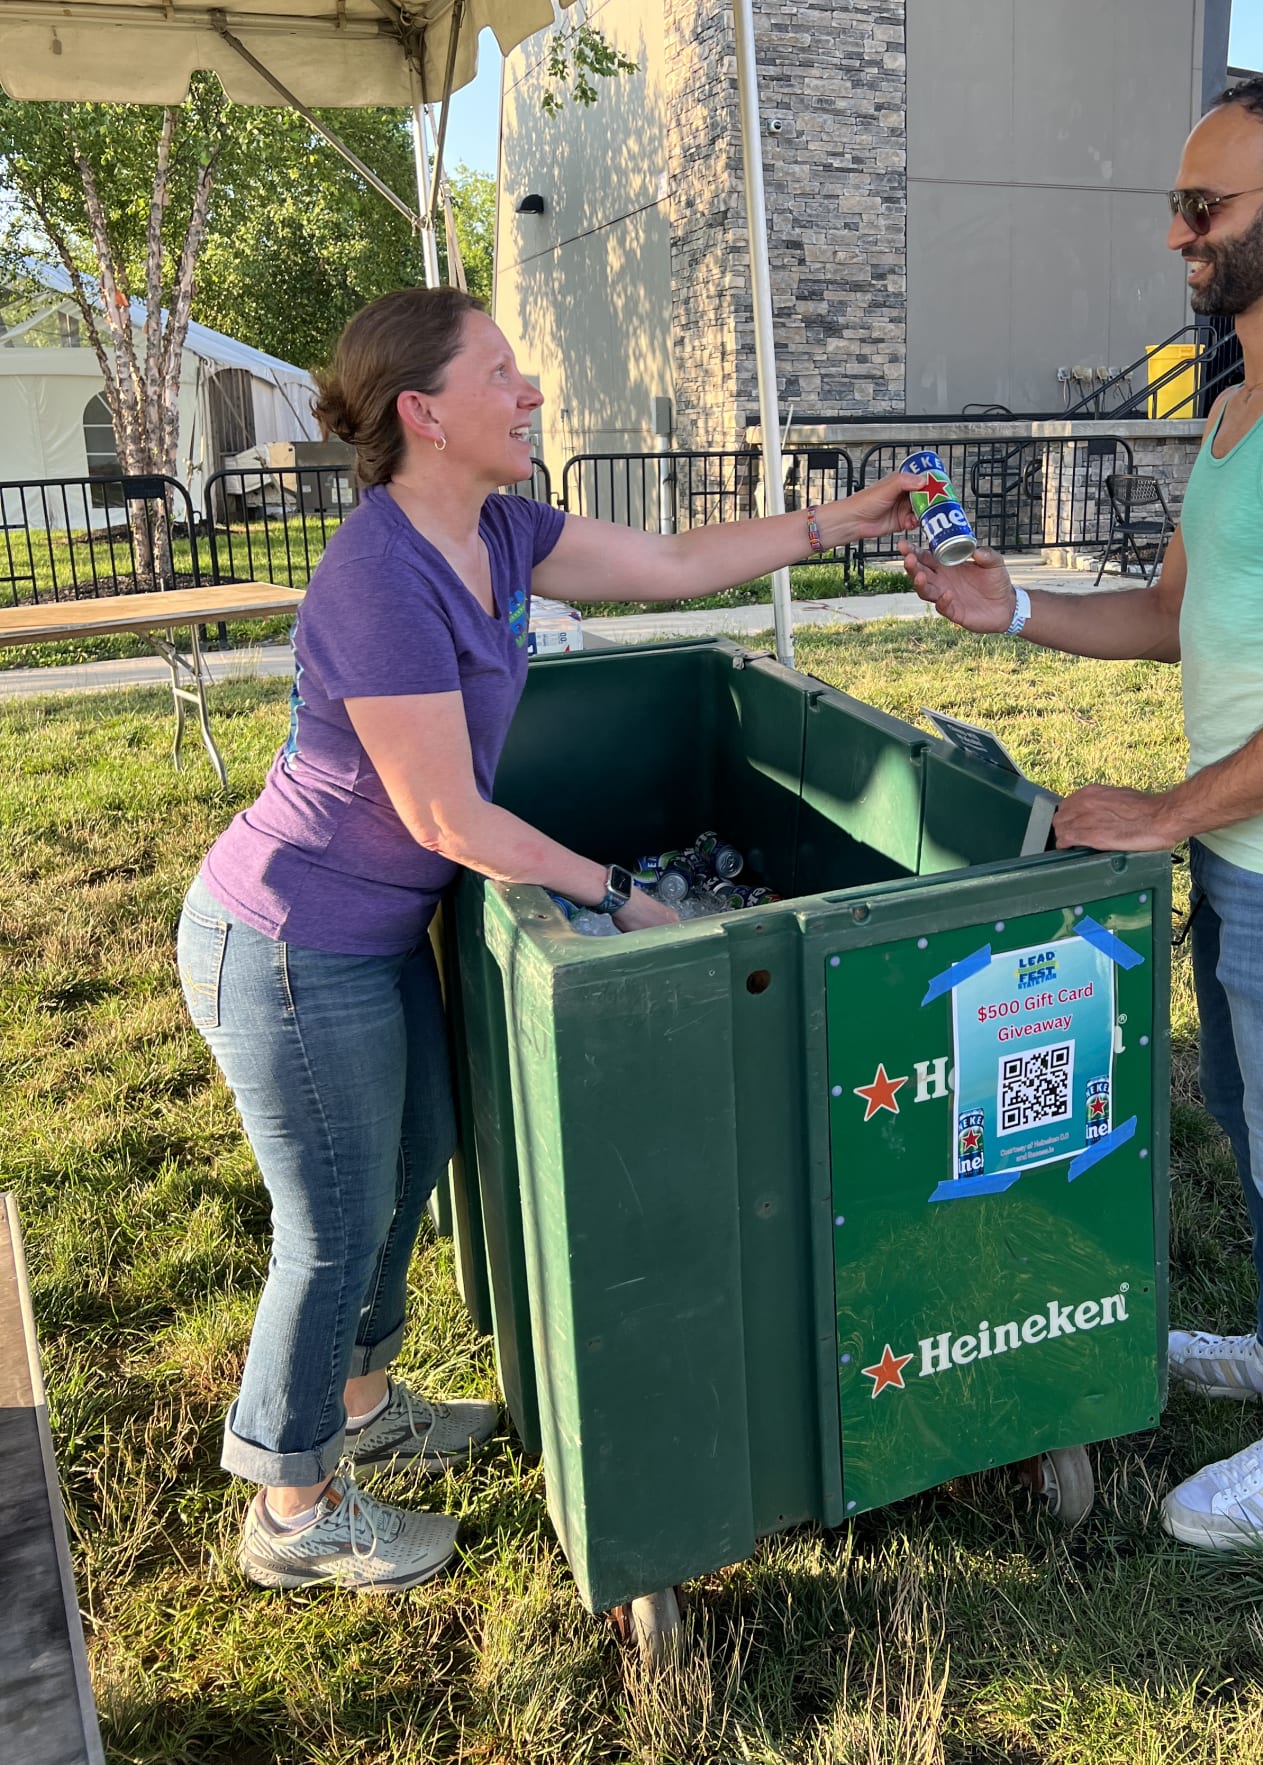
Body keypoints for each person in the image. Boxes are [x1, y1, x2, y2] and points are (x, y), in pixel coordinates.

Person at [177, 287, 922, 1592]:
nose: (530, 394)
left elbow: (676, 568)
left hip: (369, 936)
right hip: (289, 944)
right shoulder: (379, 575)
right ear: (425, 412)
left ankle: (361, 1405)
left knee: (412, 1157)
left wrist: (833, 523)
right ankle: (290, 1504)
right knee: (329, 1225)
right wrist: (620, 890)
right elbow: (448, 812)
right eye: (505, 374)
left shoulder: (503, 531)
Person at [904, 74, 1263, 1551]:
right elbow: (1174, 619)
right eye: (1180, 210)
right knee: (1254, 1122)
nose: (1180, 237)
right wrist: (1003, 604)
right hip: (1251, 855)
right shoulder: (1238, 408)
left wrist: (1169, 808)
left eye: (1208, 210)